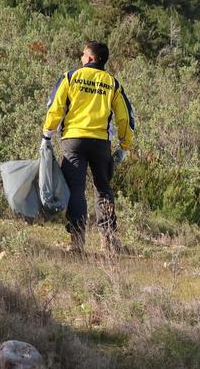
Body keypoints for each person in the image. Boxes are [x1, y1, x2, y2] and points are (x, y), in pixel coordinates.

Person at [42, 41, 135, 254]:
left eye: (84, 55)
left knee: (76, 190)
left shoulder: (71, 77)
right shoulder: (112, 83)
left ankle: (77, 241)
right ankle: (108, 240)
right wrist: (124, 146)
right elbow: (125, 118)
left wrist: (46, 135)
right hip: (101, 143)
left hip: (73, 141)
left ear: (91, 59)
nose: (81, 58)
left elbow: (55, 107)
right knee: (103, 189)